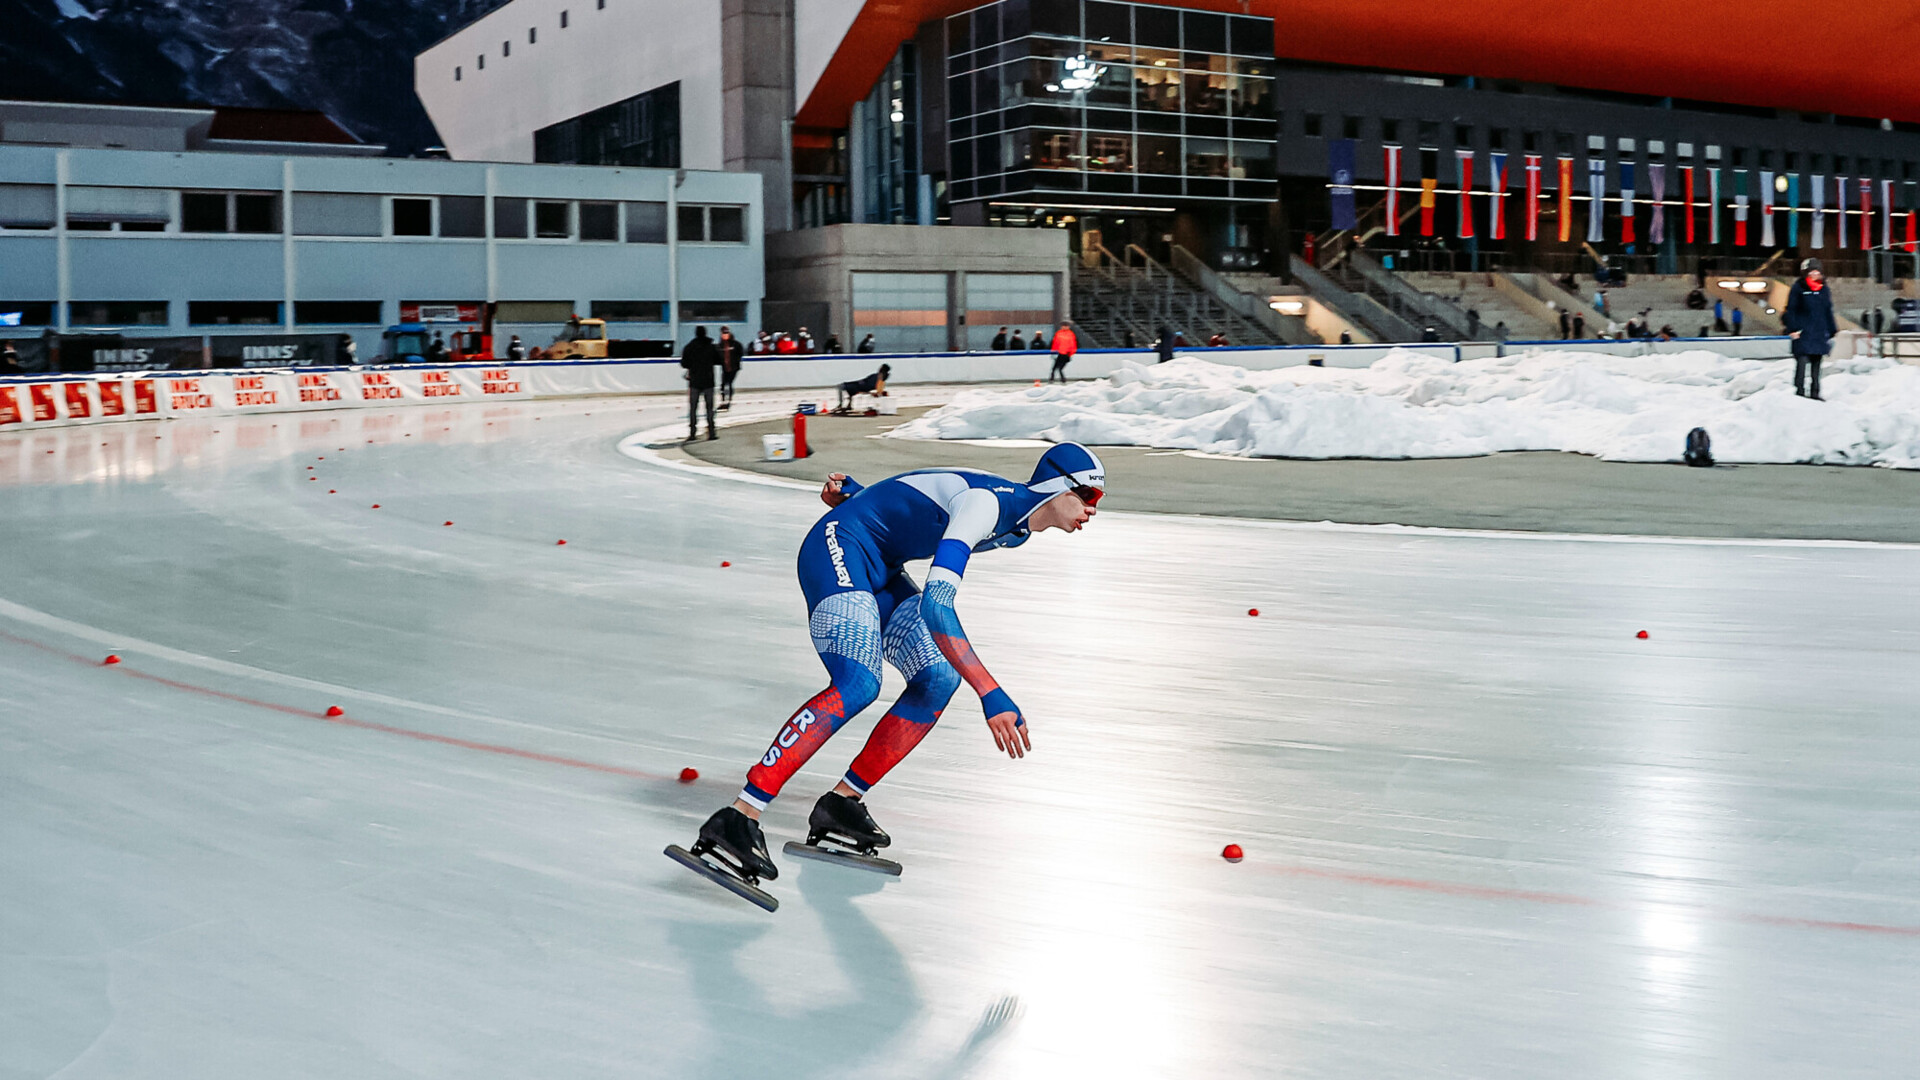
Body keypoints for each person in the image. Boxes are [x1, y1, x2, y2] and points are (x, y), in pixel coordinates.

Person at [672, 444, 1107, 900]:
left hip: (879, 561)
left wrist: (868, 500)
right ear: (1058, 487)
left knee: (939, 677)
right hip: (840, 547)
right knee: (859, 683)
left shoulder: (1018, 529)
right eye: (1089, 497)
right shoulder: (990, 506)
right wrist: (991, 692)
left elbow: (930, 491)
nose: (1093, 510)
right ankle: (740, 816)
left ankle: (841, 803)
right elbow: (938, 605)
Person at [1781, 257, 1837, 401]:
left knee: (1817, 364)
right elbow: (1791, 310)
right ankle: (1799, 391)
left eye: (1817, 273)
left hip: (1819, 332)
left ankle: (1815, 392)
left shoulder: (1824, 290)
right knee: (1801, 362)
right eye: (1811, 273)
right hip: (1803, 332)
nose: (1814, 276)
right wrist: (1792, 328)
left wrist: (1832, 329)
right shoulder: (1798, 288)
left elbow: (1827, 310)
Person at [681, 326, 720, 440]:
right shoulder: (711, 346)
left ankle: (693, 432)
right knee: (709, 408)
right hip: (708, 380)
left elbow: (684, 363)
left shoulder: (689, 347)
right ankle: (711, 432)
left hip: (694, 381)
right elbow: (718, 360)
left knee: (693, 408)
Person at [717, 326, 744, 410]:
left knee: (729, 383)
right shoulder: (720, 345)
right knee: (723, 384)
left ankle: (728, 400)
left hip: (733, 367)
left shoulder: (735, 344)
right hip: (725, 367)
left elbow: (740, 353)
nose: (725, 335)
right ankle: (724, 400)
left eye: (726, 333)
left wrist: (735, 362)